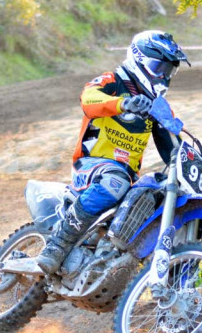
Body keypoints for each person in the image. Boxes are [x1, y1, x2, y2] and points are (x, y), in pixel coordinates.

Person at [36, 31, 191, 274]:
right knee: (115, 181)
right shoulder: (112, 81)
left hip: (128, 175)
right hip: (92, 165)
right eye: (158, 67)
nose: (163, 76)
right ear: (138, 59)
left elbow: (172, 149)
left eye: (168, 71)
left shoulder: (159, 106)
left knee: (157, 197)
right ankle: (57, 244)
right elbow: (88, 99)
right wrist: (122, 103)